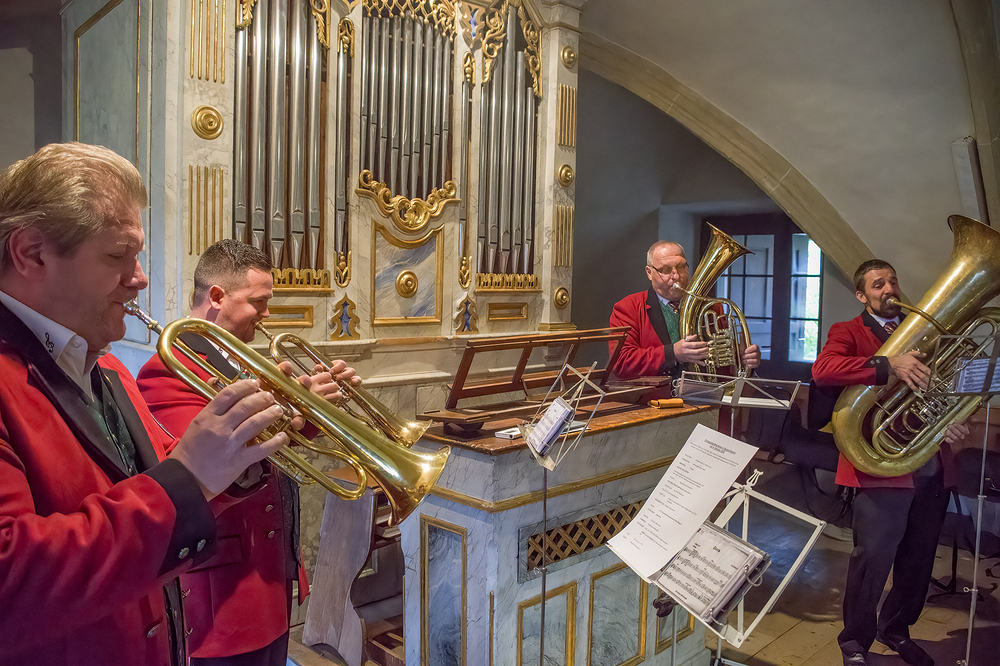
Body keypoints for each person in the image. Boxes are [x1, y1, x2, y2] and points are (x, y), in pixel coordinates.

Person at [0, 142, 288, 666]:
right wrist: (190, 478)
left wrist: (233, 461)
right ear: (31, 253)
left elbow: (161, 482)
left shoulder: (107, 367)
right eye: (118, 255)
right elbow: (11, 580)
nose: (140, 277)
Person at [137, 239, 359, 666]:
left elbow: (277, 444)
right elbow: (209, 475)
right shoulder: (167, 372)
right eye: (259, 302)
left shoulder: (238, 362)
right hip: (222, 596)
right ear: (218, 296)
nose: (267, 314)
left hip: (269, 571)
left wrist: (314, 409)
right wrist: (291, 411)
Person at [813, 258, 969, 666]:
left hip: (929, 462)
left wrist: (952, 419)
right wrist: (888, 364)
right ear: (862, 296)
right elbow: (823, 370)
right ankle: (855, 641)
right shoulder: (848, 330)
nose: (889, 289)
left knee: (918, 558)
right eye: (878, 284)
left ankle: (897, 629)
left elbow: (943, 388)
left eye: (893, 281)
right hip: (881, 464)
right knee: (873, 558)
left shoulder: (926, 333)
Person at [610, 239, 760, 379]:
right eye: (666, 269)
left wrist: (743, 358)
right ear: (649, 272)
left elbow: (723, 361)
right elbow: (620, 363)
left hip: (708, 395)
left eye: (681, 267)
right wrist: (672, 353)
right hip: (657, 397)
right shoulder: (627, 308)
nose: (676, 276)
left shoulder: (712, 307)